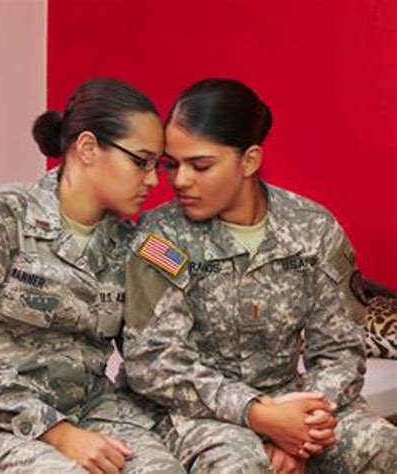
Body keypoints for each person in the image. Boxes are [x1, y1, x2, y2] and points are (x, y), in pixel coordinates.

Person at [123, 78, 397, 473]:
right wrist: (260, 416)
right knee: (240, 466)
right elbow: (153, 361)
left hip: (293, 400)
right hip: (197, 413)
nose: (180, 180)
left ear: (249, 161)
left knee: (382, 447)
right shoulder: (160, 238)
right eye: (172, 164)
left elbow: (339, 350)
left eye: (200, 165)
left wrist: (301, 430)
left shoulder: (313, 229)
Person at [0, 78, 185, 474]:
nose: (152, 179)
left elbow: (156, 351)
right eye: (141, 161)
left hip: (88, 408)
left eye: (158, 166)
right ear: (87, 148)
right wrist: (55, 431)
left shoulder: (133, 246)